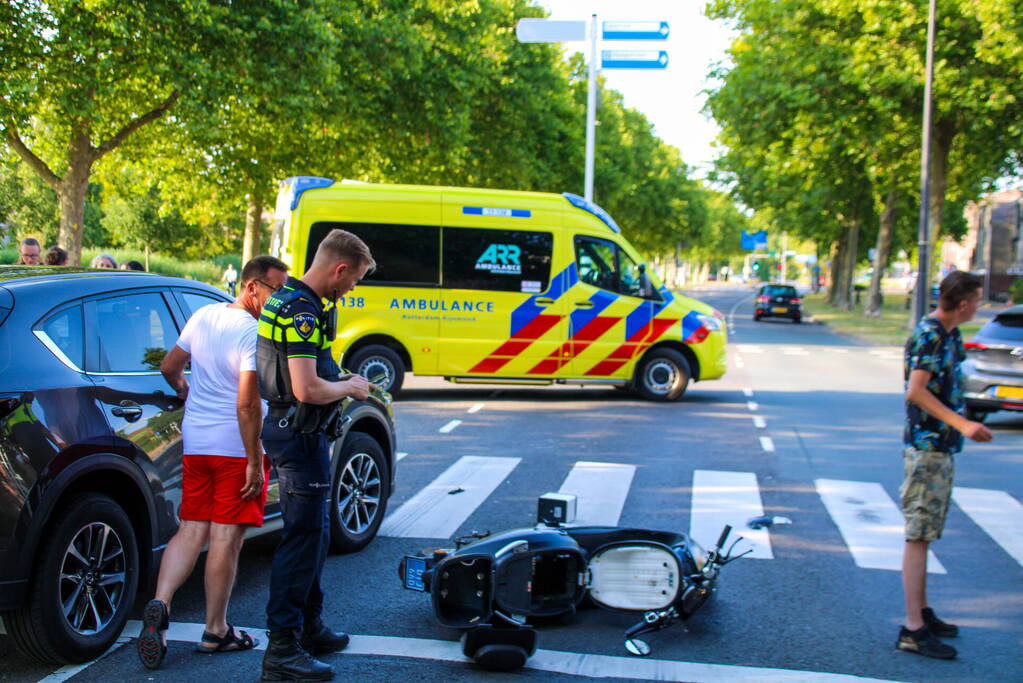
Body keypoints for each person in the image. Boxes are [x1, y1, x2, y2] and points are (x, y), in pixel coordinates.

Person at [136, 255, 289, 670]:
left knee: (190, 529)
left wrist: (186, 388)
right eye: (277, 289)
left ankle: (160, 603)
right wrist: (254, 459)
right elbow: (246, 404)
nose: (281, 299)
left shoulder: (203, 315)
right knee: (226, 539)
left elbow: (170, 366)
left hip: (197, 441)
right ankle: (216, 630)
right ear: (253, 286)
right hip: (234, 447)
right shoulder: (254, 333)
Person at [256, 229, 374, 682]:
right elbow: (306, 388)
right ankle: (282, 650)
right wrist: (348, 386)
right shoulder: (303, 311)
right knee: (302, 540)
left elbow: (304, 372)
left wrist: (340, 376)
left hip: (296, 433)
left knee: (316, 533)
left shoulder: (288, 299)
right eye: (355, 280)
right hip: (300, 437)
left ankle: (308, 625)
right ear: (339, 268)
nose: (352, 289)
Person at [898, 270, 993, 659]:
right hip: (927, 448)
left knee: (928, 532)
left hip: (941, 449)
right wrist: (963, 424)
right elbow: (915, 392)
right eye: (978, 299)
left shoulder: (950, 334)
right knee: (918, 535)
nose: (981, 305)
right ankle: (912, 628)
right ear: (965, 303)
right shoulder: (930, 334)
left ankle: (922, 612)